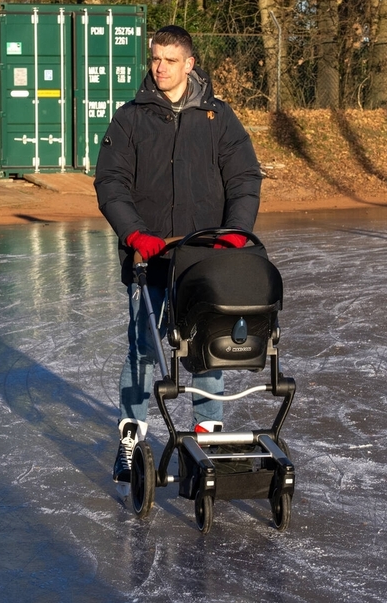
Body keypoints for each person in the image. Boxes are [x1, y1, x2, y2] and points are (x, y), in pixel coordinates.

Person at [94, 25, 262, 484]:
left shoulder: (219, 117)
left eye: (170, 60)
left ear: (190, 64)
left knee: (208, 349)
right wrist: (134, 235)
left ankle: (206, 440)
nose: (160, 67)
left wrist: (235, 233)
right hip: (150, 259)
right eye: (155, 59)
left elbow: (245, 178)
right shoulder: (131, 118)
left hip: (207, 260)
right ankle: (131, 440)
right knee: (144, 350)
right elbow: (110, 182)